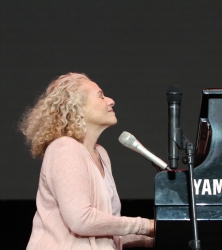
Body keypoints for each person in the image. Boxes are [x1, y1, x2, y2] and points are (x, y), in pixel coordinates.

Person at [19, 72, 154, 250]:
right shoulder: (65, 148)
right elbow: (81, 220)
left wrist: (150, 240)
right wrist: (147, 226)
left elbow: (102, 236)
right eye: (101, 96)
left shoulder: (101, 154)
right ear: (76, 107)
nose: (111, 100)